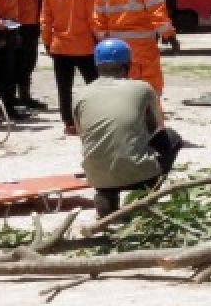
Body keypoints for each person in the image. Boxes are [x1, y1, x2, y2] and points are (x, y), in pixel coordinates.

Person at [73, 39, 183, 218]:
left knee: (101, 145)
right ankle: (145, 193)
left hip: (97, 175)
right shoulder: (142, 88)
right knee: (171, 137)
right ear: (128, 64)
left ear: (97, 65)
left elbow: (82, 133)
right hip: (138, 172)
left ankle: (106, 196)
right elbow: (156, 128)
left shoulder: (80, 94)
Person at [93, 0, 176, 96]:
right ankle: (151, 121)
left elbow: (98, 22)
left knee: (118, 92)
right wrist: (170, 36)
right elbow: (158, 15)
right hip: (142, 49)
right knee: (148, 91)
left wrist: (104, 44)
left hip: (114, 51)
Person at [42, 0, 99, 135]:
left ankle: (69, 123)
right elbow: (93, 18)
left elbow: (45, 21)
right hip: (84, 46)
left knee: (64, 87)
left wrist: (47, 42)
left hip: (60, 47)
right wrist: (100, 38)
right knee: (95, 84)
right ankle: (95, 119)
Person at [9, 0, 50, 110]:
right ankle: (14, 97)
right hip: (18, 22)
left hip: (32, 20)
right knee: (18, 61)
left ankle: (25, 95)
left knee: (29, 60)